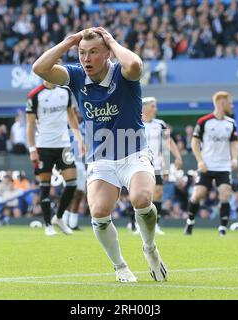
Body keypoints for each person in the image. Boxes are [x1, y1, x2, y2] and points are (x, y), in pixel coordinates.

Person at [32, 27, 167, 282]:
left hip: (133, 152)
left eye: (93, 52)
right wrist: (69, 41)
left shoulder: (123, 72)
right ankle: (120, 266)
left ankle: (149, 247)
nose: (86, 58)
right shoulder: (75, 76)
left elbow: (136, 64)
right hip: (101, 158)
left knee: (141, 198)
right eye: (82, 53)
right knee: (99, 211)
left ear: (107, 53)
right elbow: (39, 69)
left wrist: (112, 40)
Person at [26, 79, 84, 236]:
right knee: (45, 185)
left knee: (72, 184)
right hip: (43, 146)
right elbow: (30, 124)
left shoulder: (65, 92)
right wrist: (32, 149)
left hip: (64, 145)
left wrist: (79, 140)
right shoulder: (35, 95)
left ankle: (58, 217)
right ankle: (47, 225)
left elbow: (71, 117)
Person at [183, 91, 238, 236]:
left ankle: (222, 229)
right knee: (198, 194)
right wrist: (200, 161)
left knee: (225, 193)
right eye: (229, 102)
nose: (231, 105)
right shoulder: (204, 121)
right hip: (207, 165)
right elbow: (195, 142)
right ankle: (190, 222)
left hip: (224, 166)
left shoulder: (231, 123)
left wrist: (235, 158)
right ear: (221, 102)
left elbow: (234, 143)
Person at [141, 96, 183, 235]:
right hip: (138, 164)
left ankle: (155, 225)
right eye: (153, 106)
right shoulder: (135, 122)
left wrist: (177, 156)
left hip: (156, 164)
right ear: (144, 107)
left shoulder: (160, 124)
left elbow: (168, 142)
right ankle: (137, 224)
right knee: (141, 195)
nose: (155, 109)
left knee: (158, 193)